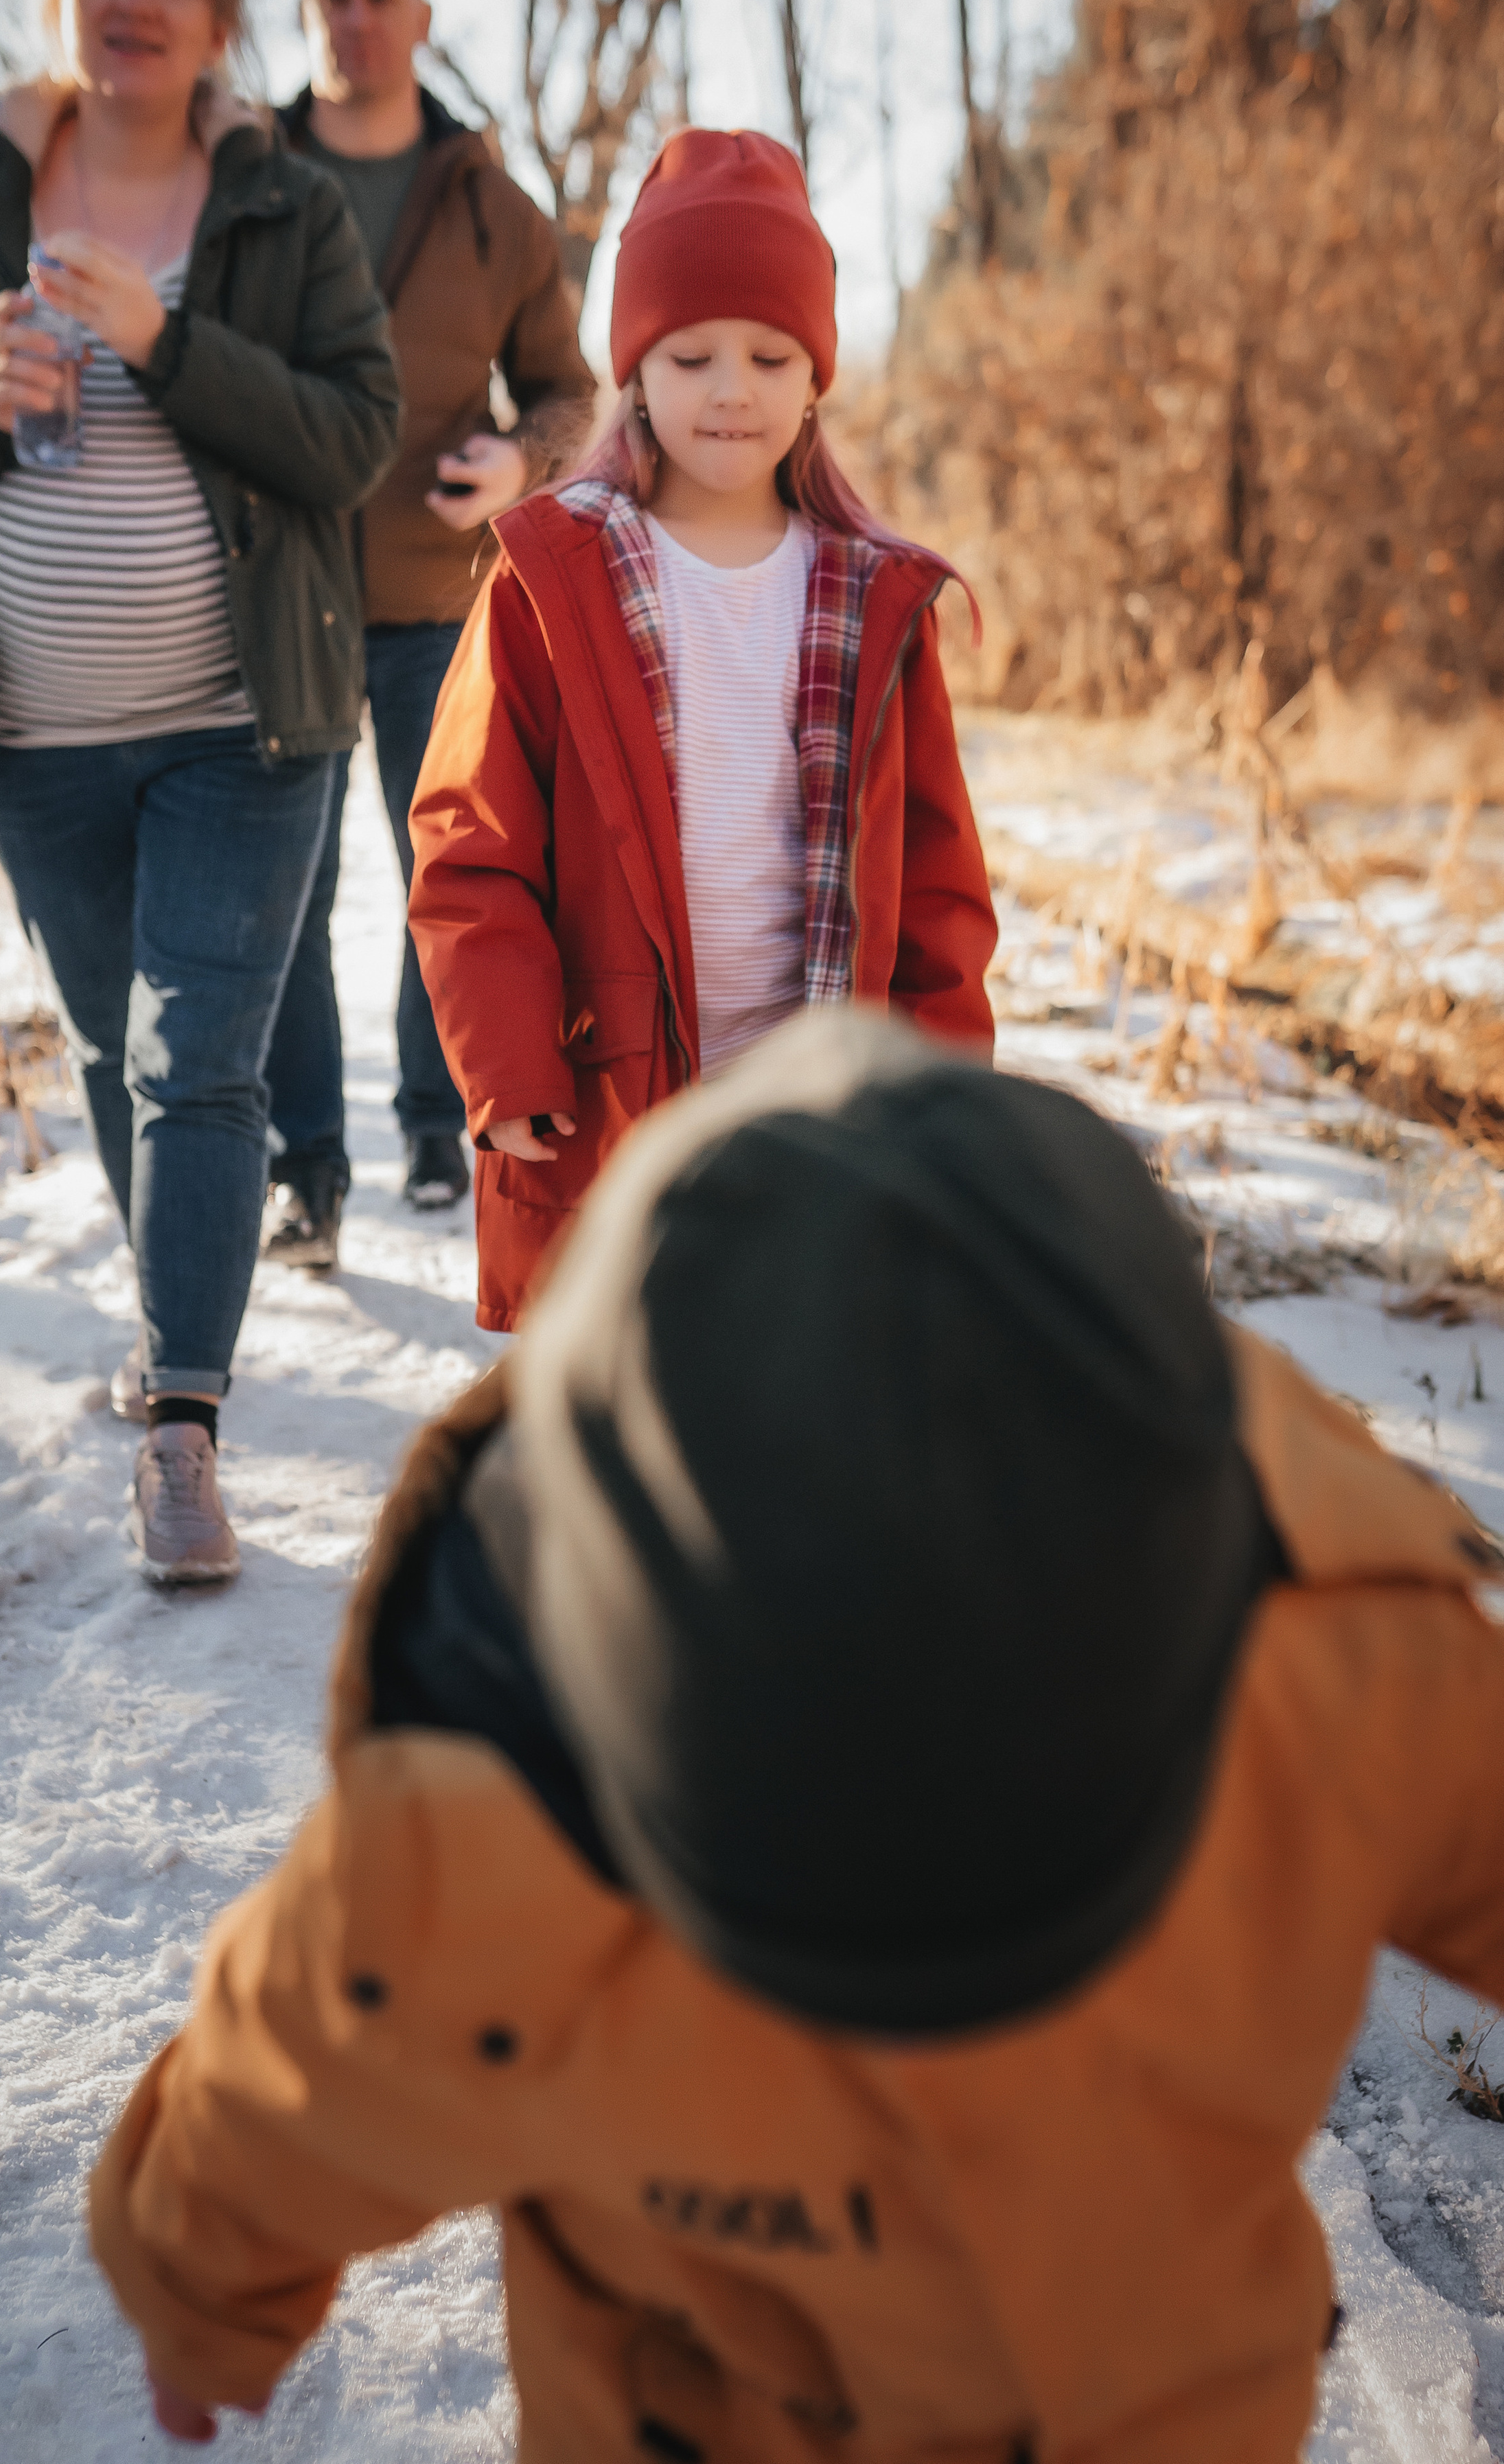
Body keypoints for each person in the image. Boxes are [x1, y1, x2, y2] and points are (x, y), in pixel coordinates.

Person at [87, 1004, 1504, 2459]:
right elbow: (286, 2088)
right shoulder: (487, 1826)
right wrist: (202, 2292)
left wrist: (202, 2301)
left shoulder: (1321, 1639)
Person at [0, 0, 400, 1586]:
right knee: (109, 1043)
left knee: (198, 1061)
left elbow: (350, 435)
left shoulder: (282, 209)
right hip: (34, 732)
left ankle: (183, 1427)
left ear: (222, 21)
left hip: (245, 721)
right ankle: (173, 1321)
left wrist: (165, 342)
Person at [406, 126, 997, 1332]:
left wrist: (946, 1105)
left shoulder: (870, 598)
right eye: (692, 355)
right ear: (635, 371)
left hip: (823, 1092)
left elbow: (938, 886)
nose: (733, 388)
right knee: (631, 1397)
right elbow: (472, 843)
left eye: (772, 355)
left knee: (798, 1396)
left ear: (817, 376)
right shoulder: (551, 577)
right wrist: (508, 1061)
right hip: (608, 1092)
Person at [259, 0, 595, 1258]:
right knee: (276, 892)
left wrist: (521, 464)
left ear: (421, 14)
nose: (354, 19)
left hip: (435, 603)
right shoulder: (244, 179)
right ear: (304, 10)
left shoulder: (494, 209)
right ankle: (305, 1168)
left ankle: (423, 1118)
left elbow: (570, 395)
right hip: (269, 603)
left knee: (435, 876)